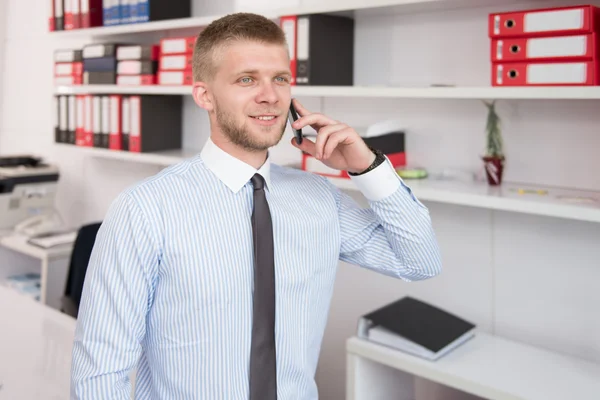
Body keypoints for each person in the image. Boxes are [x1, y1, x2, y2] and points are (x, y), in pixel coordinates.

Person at [70, 12, 442, 400]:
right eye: (246, 79)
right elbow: (101, 370)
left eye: (280, 78)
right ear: (204, 95)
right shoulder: (145, 209)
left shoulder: (319, 199)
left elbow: (419, 261)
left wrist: (368, 167)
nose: (270, 95)